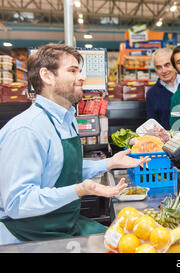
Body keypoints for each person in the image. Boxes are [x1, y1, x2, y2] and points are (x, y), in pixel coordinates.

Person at [0, 43, 150, 245]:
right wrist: (80, 190)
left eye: (80, 71)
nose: (82, 77)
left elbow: (59, 168)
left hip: (63, 224)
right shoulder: (27, 130)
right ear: (47, 76)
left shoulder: (67, 118)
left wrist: (109, 163)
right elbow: (17, 202)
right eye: (72, 71)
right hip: (28, 236)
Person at [145, 47, 180, 130]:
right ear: (155, 69)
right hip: (168, 141)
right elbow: (152, 124)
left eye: (167, 65)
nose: (164, 70)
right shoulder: (152, 94)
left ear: (174, 64)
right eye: (159, 67)